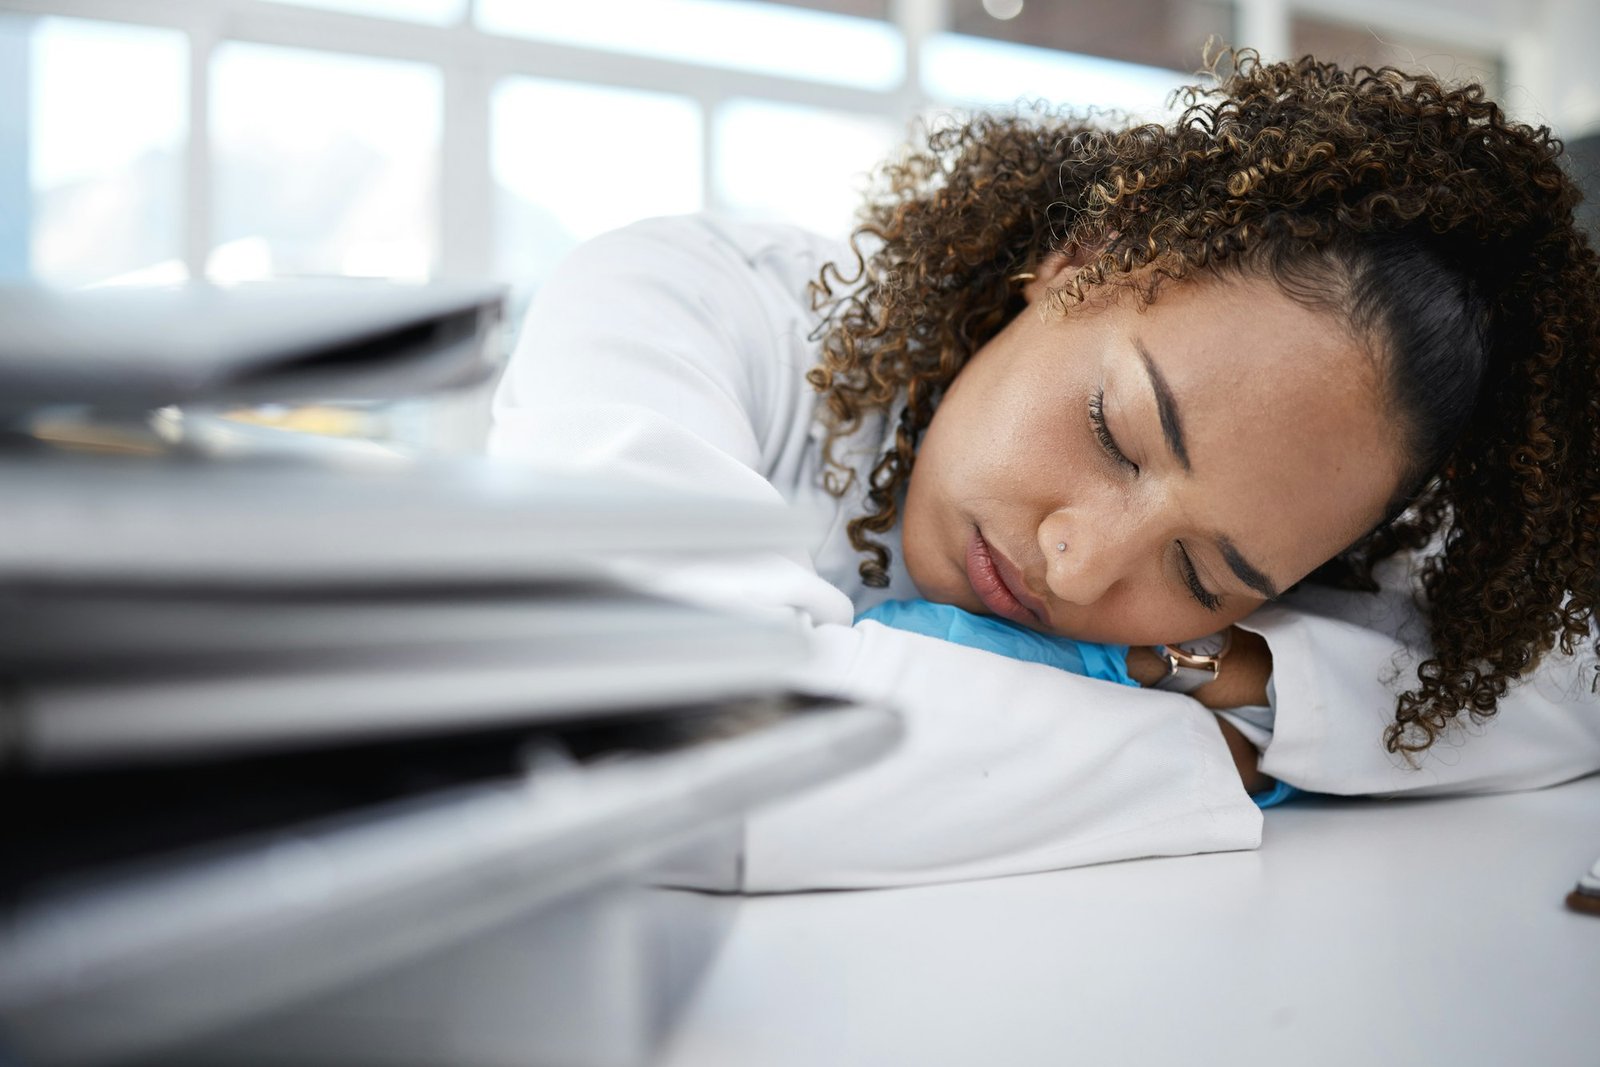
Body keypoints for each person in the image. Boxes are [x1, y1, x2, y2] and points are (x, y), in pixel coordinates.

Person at [488, 50, 1600, 891]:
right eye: (1117, 431)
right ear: (1081, 259)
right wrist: (1206, 742)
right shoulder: (688, 304)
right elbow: (659, 749)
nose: (1078, 564)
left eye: (1201, 572)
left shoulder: (1314, 498)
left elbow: (1573, 685)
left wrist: (1232, 673)